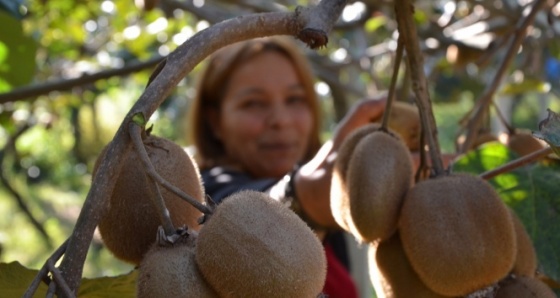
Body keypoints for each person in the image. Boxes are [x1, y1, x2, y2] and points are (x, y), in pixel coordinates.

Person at [187, 36, 386, 298]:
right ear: (215, 122)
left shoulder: (329, 211)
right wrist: (308, 198)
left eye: (294, 99)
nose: (281, 120)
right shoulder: (197, 197)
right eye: (254, 103)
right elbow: (237, 224)